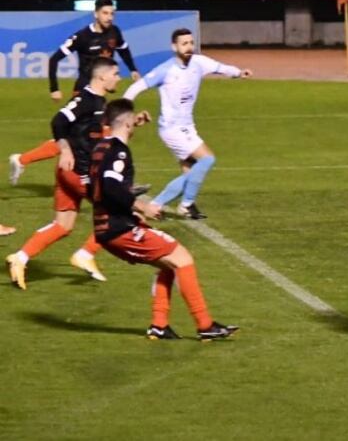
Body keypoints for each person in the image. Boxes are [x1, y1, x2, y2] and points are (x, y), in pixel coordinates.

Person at [88, 98, 237, 341]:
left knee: (168, 265)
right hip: (119, 228)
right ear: (127, 123)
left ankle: (159, 325)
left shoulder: (101, 147)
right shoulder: (119, 151)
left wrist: (126, 201)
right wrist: (140, 205)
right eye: (132, 121)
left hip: (108, 226)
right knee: (183, 259)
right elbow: (109, 185)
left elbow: (97, 187)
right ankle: (205, 324)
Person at [6, 58, 121, 289]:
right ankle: (86, 253)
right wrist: (66, 149)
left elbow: (99, 133)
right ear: (102, 76)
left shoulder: (99, 101)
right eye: (116, 73)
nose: (119, 77)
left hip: (69, 171)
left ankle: (20, 258)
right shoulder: (85, 100)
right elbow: (58, 121)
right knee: (117, 211)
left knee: (63, 225)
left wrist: (132, 123)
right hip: (77, 172)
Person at [9, 0, 140, 186]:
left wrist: (133, 69)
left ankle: (22, 160)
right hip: (85, 92)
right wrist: (54, 88)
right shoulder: (82, 37)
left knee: (79, 137)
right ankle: (115, 179)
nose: (109, 17)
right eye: (105, 13)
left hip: (100, 92)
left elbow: (124, 50)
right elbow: (54, 59)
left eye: (112, 13)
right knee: (90, 135)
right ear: (95, 14)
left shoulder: (114, 32)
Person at [124, 28, 252, 220]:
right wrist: (126, 114)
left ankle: (187, 205)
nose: (189, 47)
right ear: (174, 47)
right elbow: (135, 88)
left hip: (187, 125)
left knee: (191, 170)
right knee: (207, 159)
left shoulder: (198, 62)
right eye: (184, 44)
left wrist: (238, 72)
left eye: (191, 43)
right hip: (172, 128)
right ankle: (158, 204)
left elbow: (220, 67)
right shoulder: (165, 70)